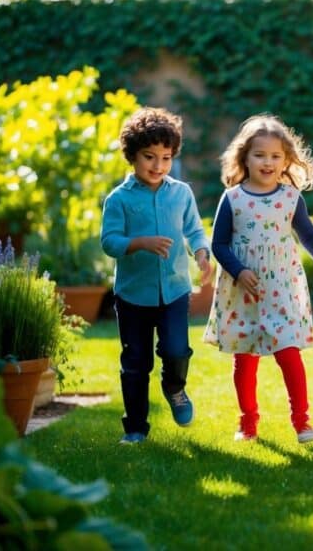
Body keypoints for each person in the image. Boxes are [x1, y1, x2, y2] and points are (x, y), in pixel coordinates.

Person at [203, 114, 313, 444]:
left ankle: (302, 421)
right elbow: (218, 244)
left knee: (288, 352)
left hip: (281, 287)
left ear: (286, 160)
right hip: (242, 290)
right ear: (244, 158)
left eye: (275, 156)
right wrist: (240, 270)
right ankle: (247, 423)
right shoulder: (233, 198)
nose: (268, 162)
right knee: (245, 358)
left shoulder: (291, 197)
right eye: (259, 155)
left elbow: (307, 234)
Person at [101, 107, 212, 445]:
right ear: (132, 155)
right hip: (133, 294)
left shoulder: (181, 193)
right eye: (149, 157)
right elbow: (109, 242)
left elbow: (193, 230)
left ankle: (174, 388)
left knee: (177, 350)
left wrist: (202, 253)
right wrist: (139, 243)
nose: (158, 165)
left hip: (176, 290)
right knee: (135, 363)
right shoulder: (118, 199)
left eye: (165, 157)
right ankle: (135, 427)